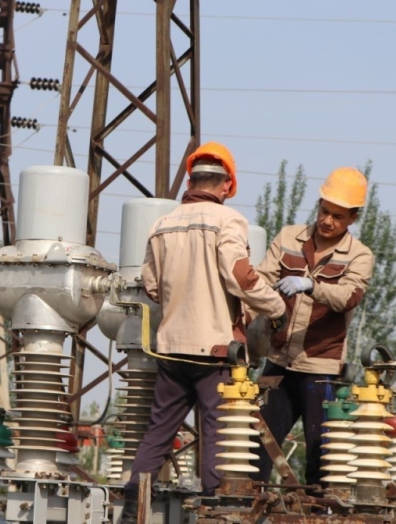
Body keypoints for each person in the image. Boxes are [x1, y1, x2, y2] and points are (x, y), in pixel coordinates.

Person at [120, 142, 287, 523]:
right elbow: (241, 277)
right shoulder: (228, 222)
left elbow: (151, 284)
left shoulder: (162, 223)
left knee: (157, 435)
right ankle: (216, 514)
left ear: (192, 180)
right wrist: (276, 307)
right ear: (227, 185)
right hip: (216, 353)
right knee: (220, 437)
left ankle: (132, 511)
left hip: (171, 349)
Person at [250, 166, 375, 487]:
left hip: (321, 369)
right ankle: (249, 508)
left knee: (321, 458)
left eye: (338, 216)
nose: (327, 220)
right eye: (324, 211)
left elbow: (348, 296)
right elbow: (262, 280)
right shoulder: (289, 237)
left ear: (353, 219)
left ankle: (318, 514)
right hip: (277, 361)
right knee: (258, 447)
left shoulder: (359, 256)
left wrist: (310, 285)